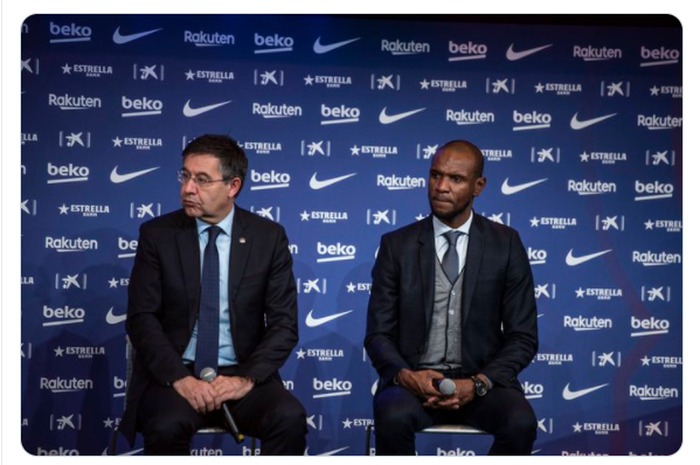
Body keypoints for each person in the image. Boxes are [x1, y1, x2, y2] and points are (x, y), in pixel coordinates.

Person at [118, 134, 307, 455]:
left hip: (241, 375)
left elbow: (284, 325)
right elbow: (141, 319)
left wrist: (244, 380)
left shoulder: (268, 238)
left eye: (202, 180)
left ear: (232, 186)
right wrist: (182, 380)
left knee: (289, 417)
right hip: (176, 375)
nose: (188, 189)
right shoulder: (157, 235)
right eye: (186, 176)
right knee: (165, 427)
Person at [364, 139, 538, 455]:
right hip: (413, 385)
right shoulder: (396, 246)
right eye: (435, 175)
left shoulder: (506, 244)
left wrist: (478, 383)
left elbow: (523, 338)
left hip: (483, 385)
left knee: (520, 422)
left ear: (478, 186)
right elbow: (378, 335)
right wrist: (407, 376)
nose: (441, 187)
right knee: (392, 415)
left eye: (455, 179)